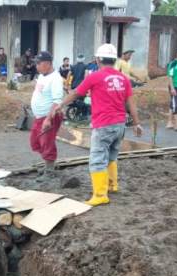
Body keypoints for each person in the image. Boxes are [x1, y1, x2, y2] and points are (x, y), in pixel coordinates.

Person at [57, 44, 144, 206]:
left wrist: (60, 105)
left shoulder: (95, 77)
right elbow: (131, 102)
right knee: (111, 155)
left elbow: (76, 93)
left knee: (97, 159)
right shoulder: (123, 78)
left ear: (98, 59)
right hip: (120, 125)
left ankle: (100, 194)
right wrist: (137, 123)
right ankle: (112, 185)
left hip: (103, 124)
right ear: (114, 60)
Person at [29, 51, 64, 181]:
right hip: (39, 116)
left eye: (39, 63)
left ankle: (49, 171)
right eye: (36, 63)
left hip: (49, 116)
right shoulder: (42, 76)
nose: (36, 66)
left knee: (47, 142)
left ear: (48, 63)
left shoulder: (55, 79)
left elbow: (57, 101)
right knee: (35, 142)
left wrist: (49, 119)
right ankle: (48, 164)